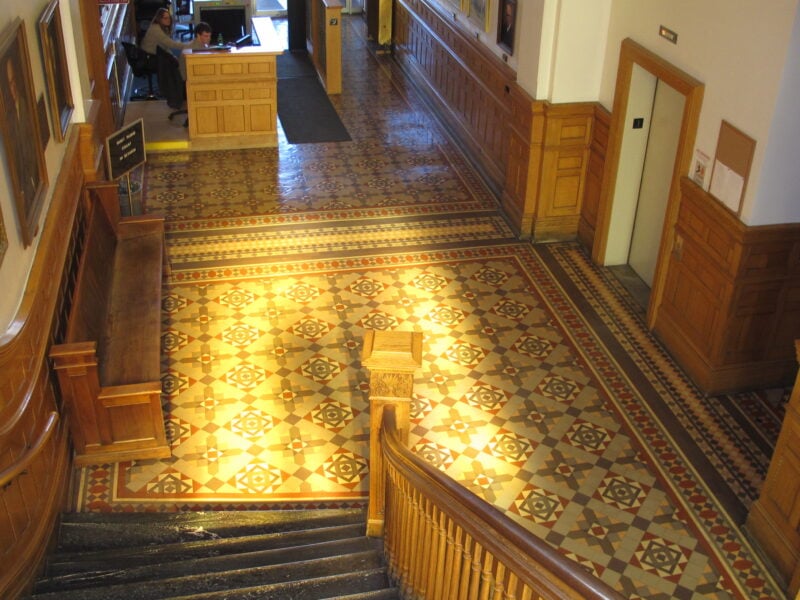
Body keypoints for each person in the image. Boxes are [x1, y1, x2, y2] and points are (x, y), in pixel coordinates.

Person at [2, 51, 41, 222]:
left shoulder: (26, 107)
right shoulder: (9, 120)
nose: (14, 88)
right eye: (9, 84)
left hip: (33, 178)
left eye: (14, 81)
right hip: (26, 187)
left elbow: (32, 147)